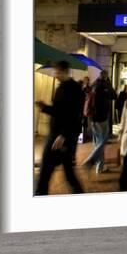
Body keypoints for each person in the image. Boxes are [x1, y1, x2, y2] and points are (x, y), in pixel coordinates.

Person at [35, 60, 85, 195]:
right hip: (58, 135)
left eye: (57, 72)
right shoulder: (60, 88)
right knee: (67, 173)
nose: (55, 75)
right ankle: (79, 193)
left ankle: (40, 195)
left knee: (46, 171)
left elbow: (74, 115)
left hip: (61, 137)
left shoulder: (75, 89)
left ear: (64, 72)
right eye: (55, 72)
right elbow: (59, 111)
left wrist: (63, 135)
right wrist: (44, 107)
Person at [82, 70, 116, 174]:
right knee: (103, 141)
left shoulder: (94, 84)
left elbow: (86, 94)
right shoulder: (105, 85)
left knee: (97, 142)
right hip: (102, 118)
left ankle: (100, 167)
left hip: (92, 118)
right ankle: (90, 160)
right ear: (106, 76)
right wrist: (109, 84)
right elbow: (114, 96)